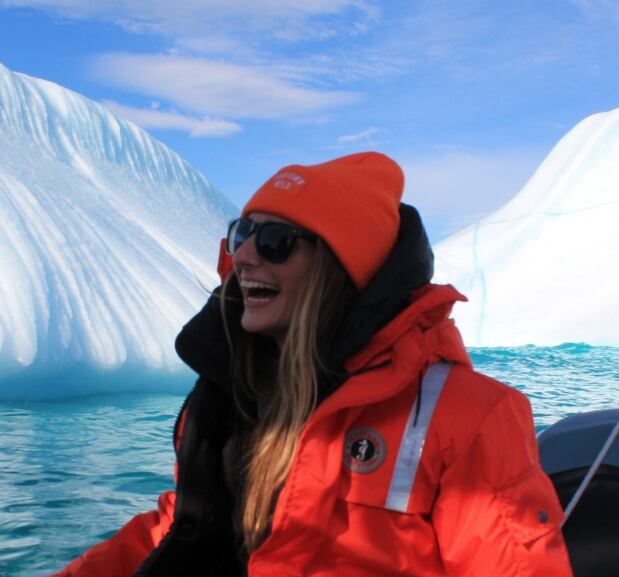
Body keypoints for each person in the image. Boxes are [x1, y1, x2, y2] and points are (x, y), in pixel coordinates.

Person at [51, 152, 573, 577]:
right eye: (243, 233)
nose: (246, 256)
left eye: (277, 242)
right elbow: (179, 528)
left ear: (337, 271)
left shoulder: (466, 417)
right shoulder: (230, 402)